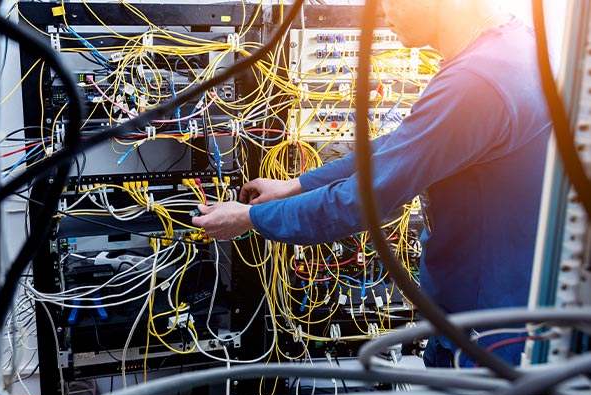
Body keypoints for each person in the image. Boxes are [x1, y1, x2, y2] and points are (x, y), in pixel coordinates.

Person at [192, 0, 552, 368]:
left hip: (488, 330)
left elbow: (362, 201)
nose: (380, 12)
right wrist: (298, 185)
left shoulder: (476, 83)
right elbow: (401, 146)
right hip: (484, 308)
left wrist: (253, 217)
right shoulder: (511, 47)